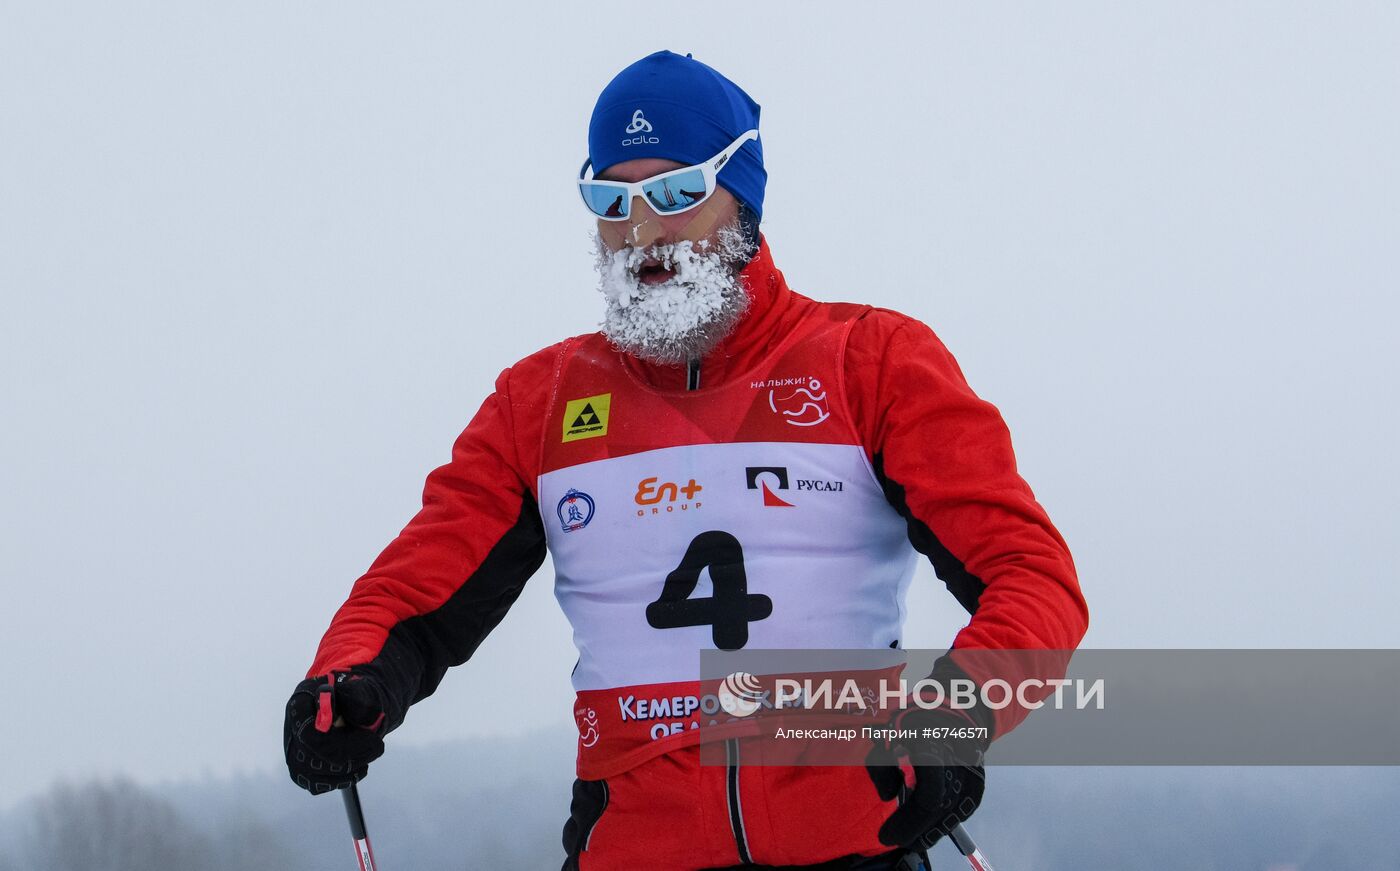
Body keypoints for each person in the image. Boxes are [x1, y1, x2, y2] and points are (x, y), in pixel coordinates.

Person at [283, 50, 1088, 870]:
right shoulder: (541, 402)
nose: (643, 234)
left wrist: (953, 719)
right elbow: (415, 595)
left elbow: (1033, 579)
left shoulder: (871, 362)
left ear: (744, 198)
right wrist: (344, 685)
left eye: (675, 194)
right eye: (611, 200)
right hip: (631, 849)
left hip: (855, 845)